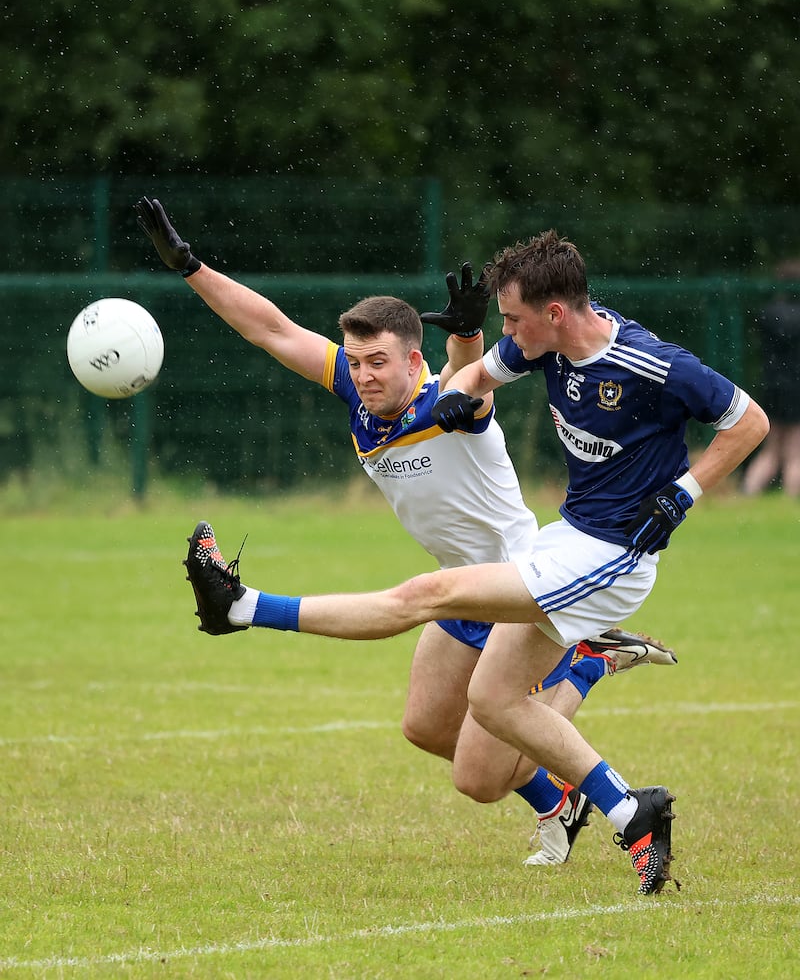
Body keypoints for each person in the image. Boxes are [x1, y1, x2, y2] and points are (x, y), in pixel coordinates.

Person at [179, 229, 769, 896]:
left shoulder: (613, 371)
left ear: (412, 362)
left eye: (379, 363)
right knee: (437, 728)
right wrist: (191, 267)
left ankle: (242, 606)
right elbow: (274, 329)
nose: (364, 374)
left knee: (434, 635)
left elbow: (480, 402)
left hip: (561, 568)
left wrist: (681, 493)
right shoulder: (388, 385)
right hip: (546, 554)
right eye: (357, 363)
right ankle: (607, 806)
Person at [741, 260, 800, 498]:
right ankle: (790, 501)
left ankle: (746, 495)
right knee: (795, 451)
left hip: (772, 384)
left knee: (771, 449)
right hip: (797, 386)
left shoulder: (769, 314)